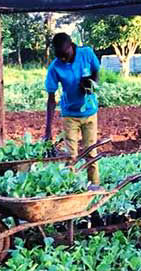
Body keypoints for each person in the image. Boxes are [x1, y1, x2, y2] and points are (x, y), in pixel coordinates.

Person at [43, 32, 101, 186]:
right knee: (71, 156)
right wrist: (47, 130)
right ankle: (71, 188)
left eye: (65, 55)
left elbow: (96, 71)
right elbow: (51, 100)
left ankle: (94, 187)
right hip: (70, 115)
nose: (63, 59)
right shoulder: (55, 67)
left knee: (91, 153)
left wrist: (90, 85)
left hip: (90, 112)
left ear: (72, 46)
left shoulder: (86, 54)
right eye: (60, 56)